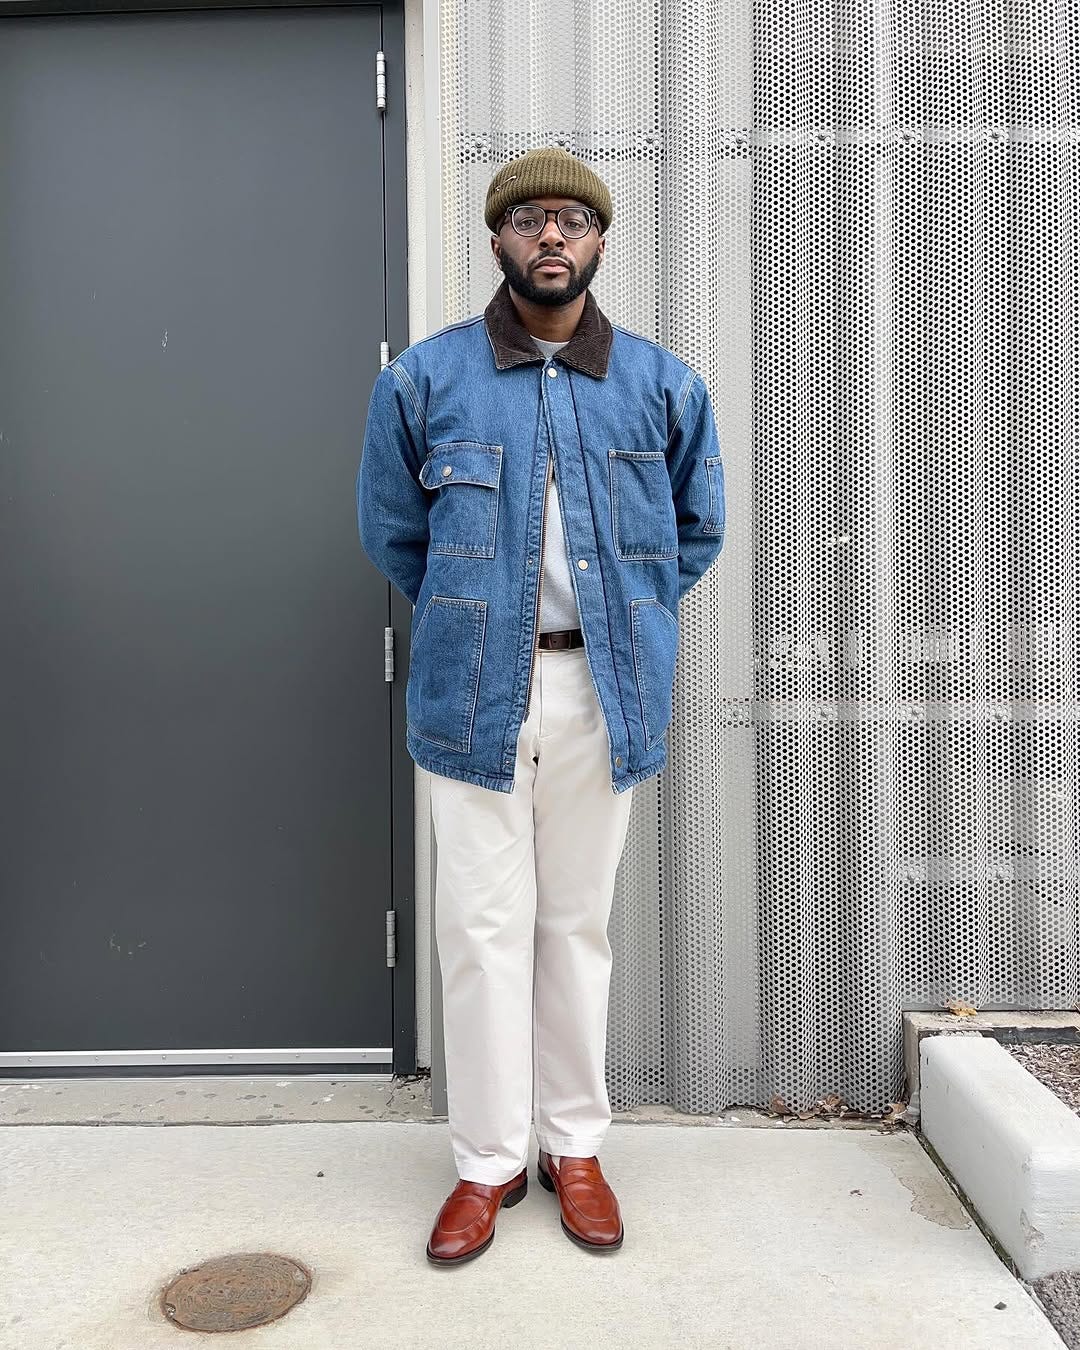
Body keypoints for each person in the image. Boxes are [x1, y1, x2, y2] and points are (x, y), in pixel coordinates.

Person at [356, 146, 725, 1265]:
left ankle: (575, 1146)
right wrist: (481, 621)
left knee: (575, 927)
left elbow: (693, 535)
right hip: (471, 698)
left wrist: (627, 626)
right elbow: (394, 535)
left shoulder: (663, 384)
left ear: (601, 241)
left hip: (602, 695)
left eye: (572, 220)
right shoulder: (424, 380)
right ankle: (486, 1161)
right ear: (499, 242)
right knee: (478, 931)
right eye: (529, 222)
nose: (551, 238)